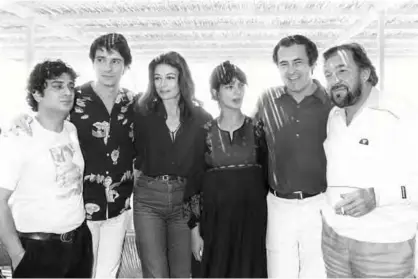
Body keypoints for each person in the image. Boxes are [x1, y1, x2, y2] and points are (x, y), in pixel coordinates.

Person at [11, 33, 136, 278]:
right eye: (100, 59)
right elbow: (44, 121)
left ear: (126, 65)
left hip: (119, 206)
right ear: (92, 62)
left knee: (107, 273)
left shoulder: (133, 102)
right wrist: (19, 119)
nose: (107, 67)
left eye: (115, 61)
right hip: (81, 210)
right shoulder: (74, 97)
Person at [321, 42, 418, 278]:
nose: (334, 80)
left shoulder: (400, 113)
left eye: (342, 71)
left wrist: (377, 197)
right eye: (328, 74)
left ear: (365, 73)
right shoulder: (334, 116)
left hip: (384, 248)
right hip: (334, 241)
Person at [0, 60, 93, 277]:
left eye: (71, 86)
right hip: (38, 248)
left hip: (79, 242)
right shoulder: (18, 137)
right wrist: (17, 255)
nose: (68, 91)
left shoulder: (70, 129)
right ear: (37, 94)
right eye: (58, 86)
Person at [255, 34, 332, 278]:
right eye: (283, 64)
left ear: (312, 64)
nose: (291, 71)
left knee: (317, 272)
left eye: (298, 62)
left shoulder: (332, 103)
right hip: (279, 205)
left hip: (321, 203)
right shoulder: (266, 99)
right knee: (279, 272)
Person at [184, 61, 268, 277]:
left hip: (253, 224)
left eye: (241, 86)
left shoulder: (258, 129)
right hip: (215, 225)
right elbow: (193, 184)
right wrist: (195, 232)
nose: (237, 91)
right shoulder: (204, 133)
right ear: (215, 92)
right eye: (229, 87)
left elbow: (268, 178)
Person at [133, 51, 212, 278]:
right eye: (157, 78)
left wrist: (197, 219)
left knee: (183, 273)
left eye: (169, 77)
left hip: (183, 202)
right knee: (155, 273)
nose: (162, 84)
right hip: (148, 200)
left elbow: (201, 173)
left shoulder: (202, 119)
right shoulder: (140, 111)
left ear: (181, 79)